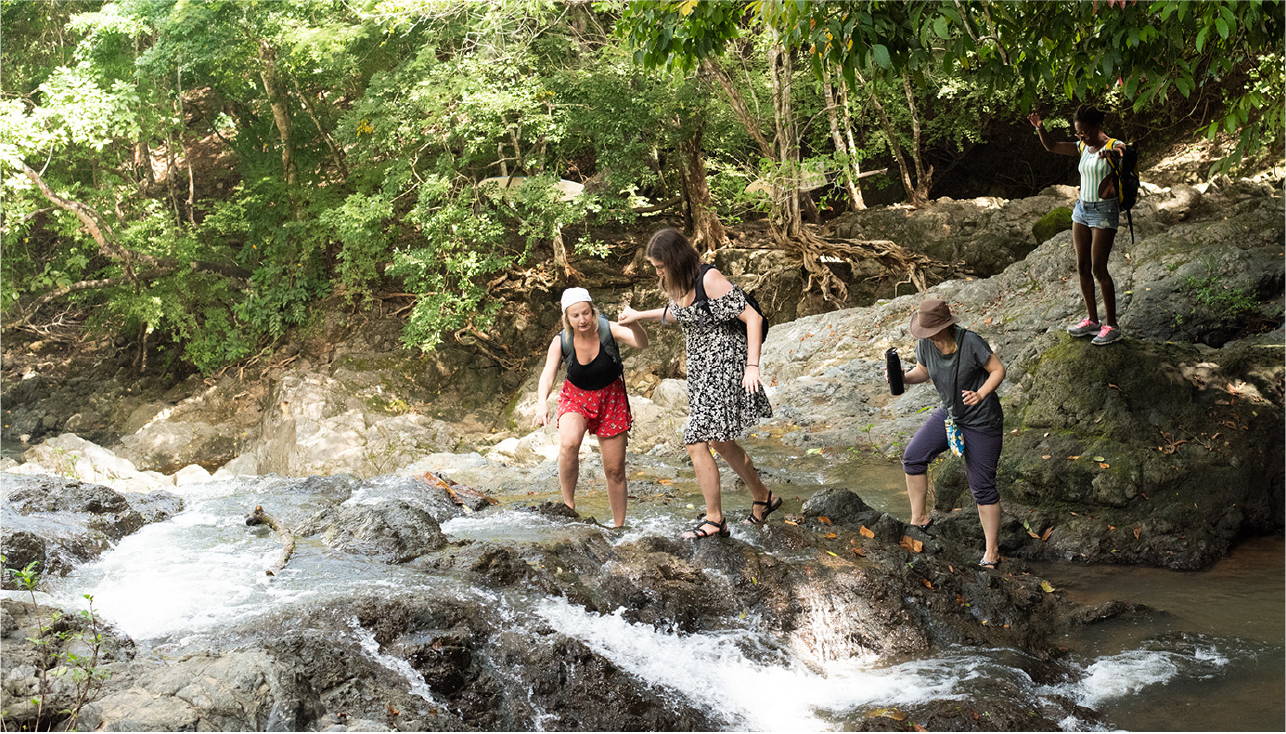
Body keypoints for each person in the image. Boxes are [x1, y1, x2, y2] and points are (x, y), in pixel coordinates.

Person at [618, 228, 776, 540]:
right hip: (702, 371)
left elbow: (753, 319)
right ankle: (764, 496)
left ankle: (715, 520)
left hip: (726, 365)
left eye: (660, 266)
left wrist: (752, 366)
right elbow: (681, 314)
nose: (658, 272)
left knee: (695, 439)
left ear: (674, 260)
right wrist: (638, 315)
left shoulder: (710, 278)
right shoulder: (676, 284)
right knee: (719, 440)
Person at [892, 298, 1007, 568]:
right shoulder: (925, 345)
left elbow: (998, 370)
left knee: (982, 487)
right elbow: (923, 370)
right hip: (950, 414)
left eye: (929, 332)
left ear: (944, 327)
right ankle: (919, 519)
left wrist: (980, 394)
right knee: (913, 457)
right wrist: (903, 377)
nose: (926, 337)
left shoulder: (971, 342)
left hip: (982, 420)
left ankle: (992, 550)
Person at [534, 287, 648, 528]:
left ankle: (619, 526)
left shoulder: (608, 329)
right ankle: (569, 505)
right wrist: (541, 402)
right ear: (567, 317)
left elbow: (641, 343)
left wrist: (635, 322)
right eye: (575, 316)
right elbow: (548, 371)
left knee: (615, 469)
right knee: (569, 442)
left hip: (611, 399)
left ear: (593, 311)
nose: (582, 320)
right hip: (576, 397)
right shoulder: (561, 340)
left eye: (586, 313)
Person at [1028, 105, 1127, 346]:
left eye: (1084, 132)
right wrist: (1040, 128)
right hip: (1082, 210)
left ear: (1095, 127)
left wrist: (1114, 156)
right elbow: (1052, 146)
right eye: (1077, 132)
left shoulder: (1114, 145)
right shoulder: (1083, 146)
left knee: (1098, 269)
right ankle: (1092, 320)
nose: (1080, 136)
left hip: (1104, 212)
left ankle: (1112, 325)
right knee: (1082, 266)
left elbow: (1126, 153)